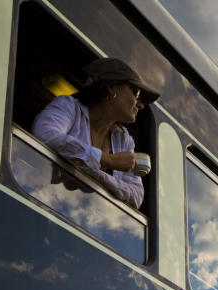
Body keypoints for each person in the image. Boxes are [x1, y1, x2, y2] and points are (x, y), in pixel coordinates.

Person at [32, 58, 160, 208]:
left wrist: (92, 172)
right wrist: (107, 160)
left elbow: (136, 196)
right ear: (111, 88)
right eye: (136, 93)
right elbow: (44, 134)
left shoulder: (124, 139)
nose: (141, 105)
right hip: (44, 199)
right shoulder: (69, 106)